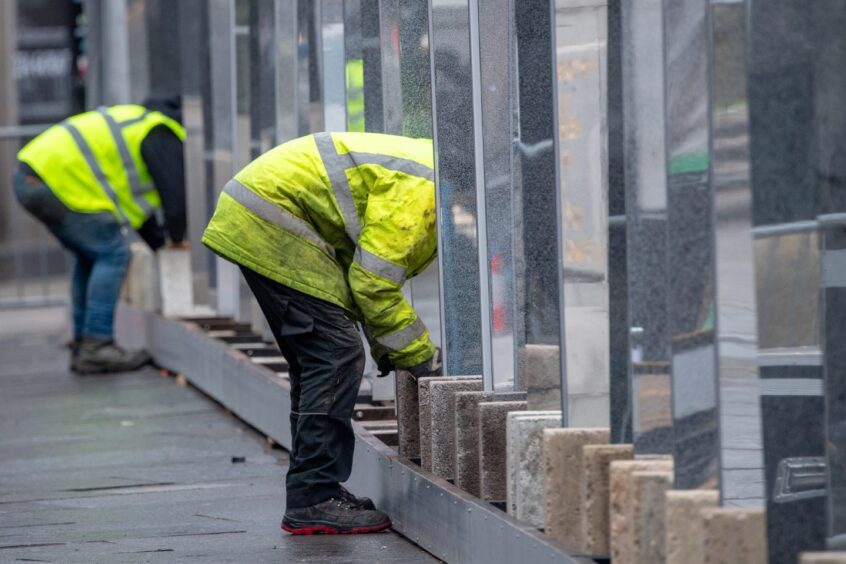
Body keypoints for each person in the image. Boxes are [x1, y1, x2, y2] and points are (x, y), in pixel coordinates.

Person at [202, 132, 443, 534]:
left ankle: (314, 489)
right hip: (271, 217)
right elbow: (373, 284)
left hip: (264, 212)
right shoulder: (422, 192)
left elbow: (360, 276)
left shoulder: (425, 173)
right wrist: (421, 360)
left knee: (322, 358)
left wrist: (389, 349)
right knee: (335, 356)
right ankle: (313, 497)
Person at [14, 97, 187, 374]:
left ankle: (84, 344)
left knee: (90, 255)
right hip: (52, 180)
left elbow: (141, 214)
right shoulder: (161, 132)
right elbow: (176, 200)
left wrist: (158, 244)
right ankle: (97, 346)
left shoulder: (137, 123)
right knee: (112, 253)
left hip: (31, 177)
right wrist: (176, 239)